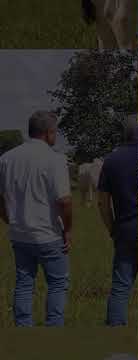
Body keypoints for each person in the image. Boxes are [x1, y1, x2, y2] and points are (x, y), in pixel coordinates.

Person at [0, 110, 72, 326]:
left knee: (23, 284)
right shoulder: (55, 159)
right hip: (48, 234)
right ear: (49, 132)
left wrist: (9, 219)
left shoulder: (6, 159)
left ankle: (24, 333)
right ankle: (52, 334)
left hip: (19, 234)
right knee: (57, 285)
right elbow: (65, 201)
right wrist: (68, 229)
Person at [97, 115, 138, 326]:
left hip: (124, 229)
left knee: (121, 287)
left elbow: (102, 202)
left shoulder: (111, 161)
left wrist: (112, 227)